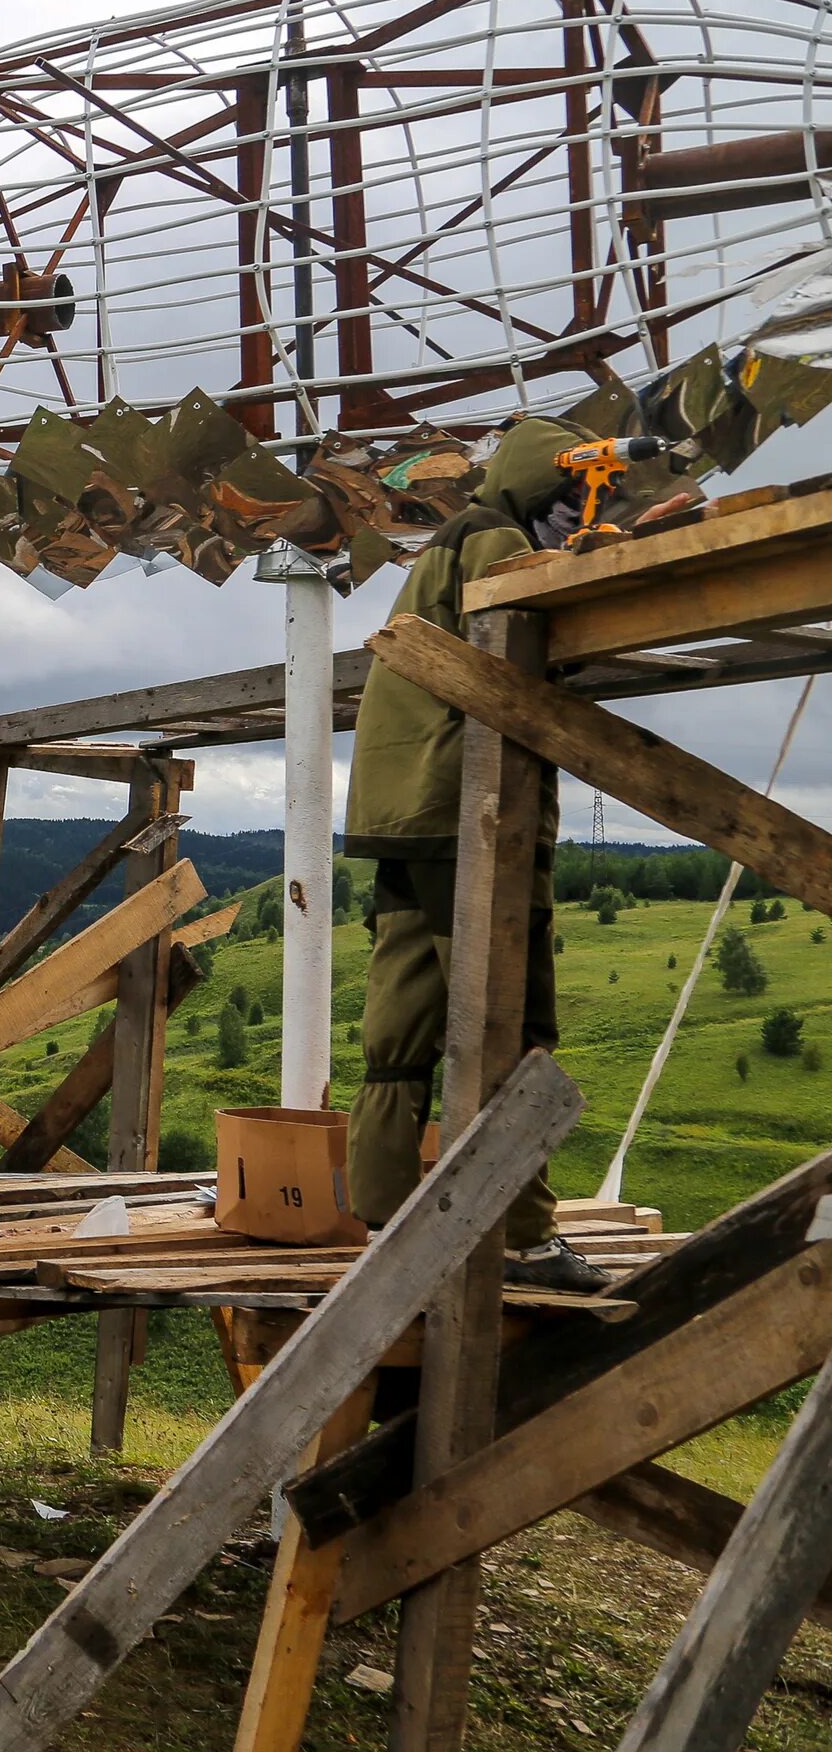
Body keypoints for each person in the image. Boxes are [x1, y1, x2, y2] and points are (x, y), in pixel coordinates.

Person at [342, 414, 608, 1293]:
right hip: (470, 809)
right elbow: (525, 643)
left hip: (403, 807)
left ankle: (380, 1220)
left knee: (403, 1027)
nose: (577, 517)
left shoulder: (447, 541)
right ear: (542, 485)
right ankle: (524, 1237)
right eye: (571, 499)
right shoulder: (495, 539)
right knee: (510, 1023)